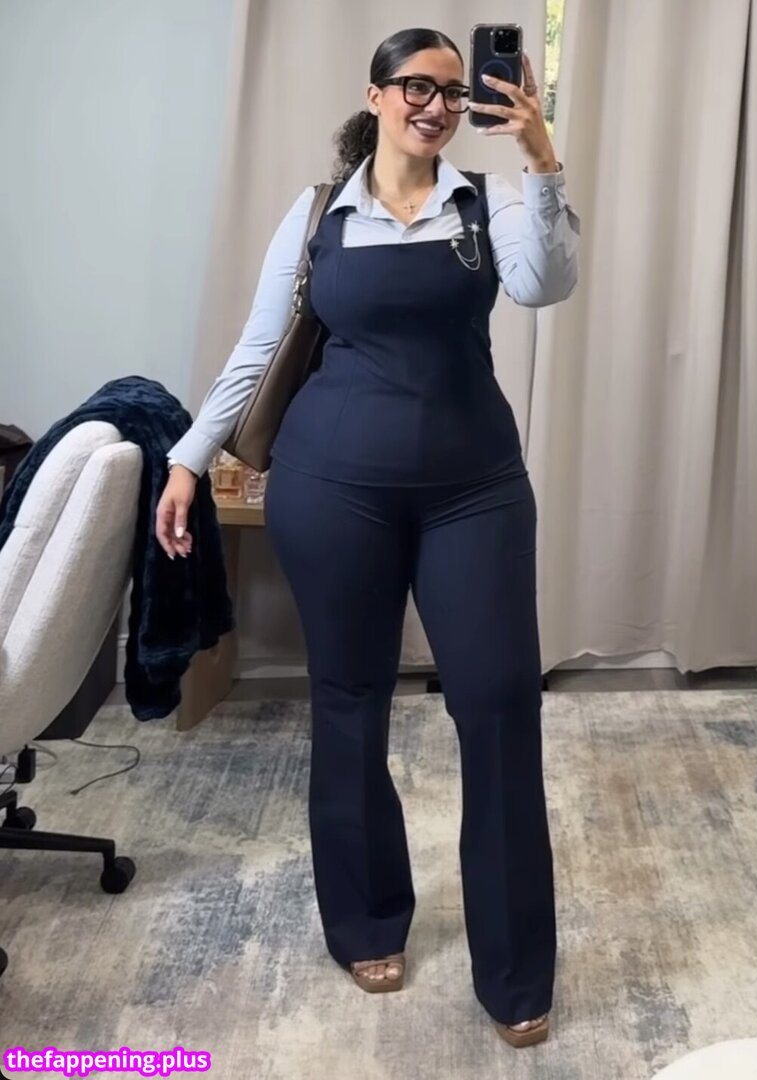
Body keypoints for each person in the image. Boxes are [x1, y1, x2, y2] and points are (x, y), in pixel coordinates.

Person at [156, 27, 579, 1049]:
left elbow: (543, 286)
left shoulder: (486, 202)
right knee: (349, 703)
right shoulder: (319, 214)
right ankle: (364, 920)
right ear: (377, 94)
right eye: (416, 87)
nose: (436, 106)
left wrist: (540, 155)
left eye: (452, 91)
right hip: (330, 490)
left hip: (474, 492)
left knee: (498, 709)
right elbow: (259, 348)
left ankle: (515, 969)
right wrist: (185, 458)